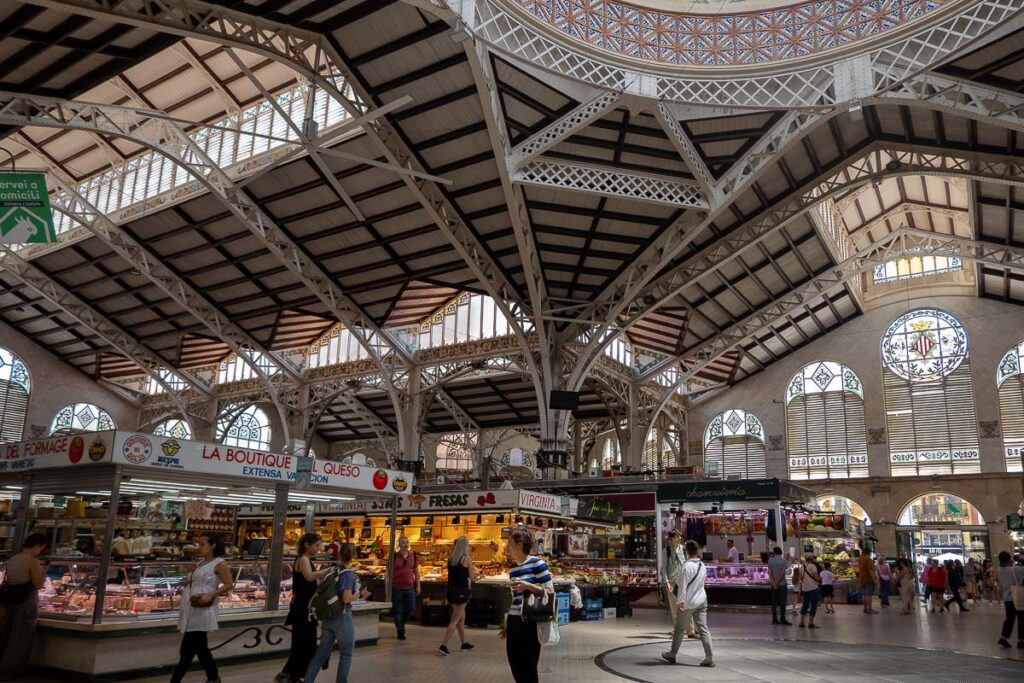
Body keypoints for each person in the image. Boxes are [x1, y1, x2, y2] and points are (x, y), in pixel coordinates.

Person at [170, 534, 234, 683]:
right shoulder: (200, 563)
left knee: (187, 650)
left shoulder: (220, 564)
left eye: (202, 544)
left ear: (213, 546)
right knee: (200, 648)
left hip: (203, 609)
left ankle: (176, 680)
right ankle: (213, 677)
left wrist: (211, 594)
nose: (199, 547)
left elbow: (229, 584)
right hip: (191, 607)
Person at [304, 544, 371, 683]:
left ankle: (308, 681)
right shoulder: (349, 574)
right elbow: (346, 598)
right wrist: (361, 595)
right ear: (353, 557)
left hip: (328, 617)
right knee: (346, 653)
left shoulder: (332, 570)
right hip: (342, 618)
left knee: (321, 654)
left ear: (339, 555)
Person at [277, 533, 333, 683]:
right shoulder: (303, 559)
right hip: (303, 608)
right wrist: (326, 571)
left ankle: (290, 674)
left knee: (302, 643)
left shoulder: (304, 559)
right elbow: (309, 577)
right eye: (316, 545)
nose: (317, 548)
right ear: (307, 545)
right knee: (305, 643)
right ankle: (291, 675)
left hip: (302, 606)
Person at [500, 527, 553, 683]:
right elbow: (515, 599)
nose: (506, 547)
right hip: (514, 620)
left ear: (519, 544)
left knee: (529, 666)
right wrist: (507, 625)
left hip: (530, 621)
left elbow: (549, 592)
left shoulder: (538, 564)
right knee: (515, 664)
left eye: (509, 543)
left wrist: (528, 586)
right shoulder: (513, 569)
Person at [0, 533, 47, 679]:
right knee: (20, 636)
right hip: (25, 602)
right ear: (38, 545)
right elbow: (38, 584)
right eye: (42, 548)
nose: (41, 551)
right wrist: (43, 571)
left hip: (9, 600)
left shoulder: (13, 559)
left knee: (5, 633)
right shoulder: (32, 561)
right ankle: (9, 671)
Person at [661, 540, 714, 668]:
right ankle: (709, 657)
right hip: (702, 600)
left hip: (688, 603)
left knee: (679, 629)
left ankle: (672, 654)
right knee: (703, 629)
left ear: (687, 552)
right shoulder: (702, 565)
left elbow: (682, 586)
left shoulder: (686, 566)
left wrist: (680, 601)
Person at [439, 536, 476, 655]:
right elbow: (472, 577)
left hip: (451, 591)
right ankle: (443, 645)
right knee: (455, 619)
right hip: (461, 593)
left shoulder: (450, 559)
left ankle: (464, 643)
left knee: (461, 618)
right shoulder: (466, 559)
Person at [387, 536, 420, 640]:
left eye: (406, 542)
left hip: (410, 587)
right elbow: (388, 572)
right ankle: (400, 632)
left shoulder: (413, 556)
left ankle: (401, 622)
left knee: (411, 609)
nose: (405, 544)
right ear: (399, 545)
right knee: (398, 611)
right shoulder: (394, 556)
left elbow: (416, 571)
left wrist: (418, 585)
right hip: (397, 588)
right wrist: (387, 587)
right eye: (403, 543)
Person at [996, 551, 1024, 648]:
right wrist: (1021, 559)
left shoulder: (999, 570)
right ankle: (1021, 641)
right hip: (1018, 596)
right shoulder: (1015, 569)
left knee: (1009, 619)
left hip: (1007, 598)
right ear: (1009, 559)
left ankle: (1003, 638)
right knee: (1022, 619)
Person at [767, 546, 791, 625]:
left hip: (773, 585)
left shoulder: (770, 561)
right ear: (780, 552)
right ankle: (782, 619)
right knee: (782, 602)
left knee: (774, 602)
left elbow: (769, 572)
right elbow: (783, 573)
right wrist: (777, 582)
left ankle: (774, 619)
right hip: (782, 584)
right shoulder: (783, 560)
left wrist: (773, 582)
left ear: (774, 552)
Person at [798, 554, 821, 628]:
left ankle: (802, 622)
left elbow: (800, 578)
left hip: (805, 588)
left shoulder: (802, 566)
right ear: (811, 560)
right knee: (813, 605)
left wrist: (800, 587)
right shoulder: (812, 566)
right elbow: (816, 577)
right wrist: (820, 578)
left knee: (805, 604)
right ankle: (811, 623)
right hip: (813, 588)